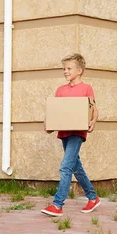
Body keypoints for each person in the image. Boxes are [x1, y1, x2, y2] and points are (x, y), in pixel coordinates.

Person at [41, 53, 100, 216]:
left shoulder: (86, 88)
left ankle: (57, 204)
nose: (65, 71)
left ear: (79, 70)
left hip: (77, 133)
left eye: (69, 68)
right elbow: (55, 111)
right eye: (64, 69)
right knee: (76, 167)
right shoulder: (60, 90)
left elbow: (93, 109)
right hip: (64, 132)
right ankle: (93, 197)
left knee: (65, 166)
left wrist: (93, 121)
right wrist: (48, 123)